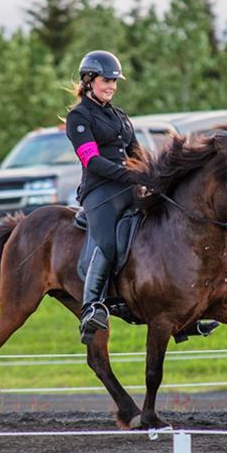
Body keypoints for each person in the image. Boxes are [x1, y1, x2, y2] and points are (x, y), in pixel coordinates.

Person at [66, 50, 142, 345]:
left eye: (114, 81)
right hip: (100, 191)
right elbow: (91, 160)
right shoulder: (79, 116)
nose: (111, 85)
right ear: (89, 80)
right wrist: (129, 176)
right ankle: (91, 309)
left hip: (128, 188)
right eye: (106, 80)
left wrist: (151, 175)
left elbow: (136, 153)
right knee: (108, 244)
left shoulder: (119, 115)